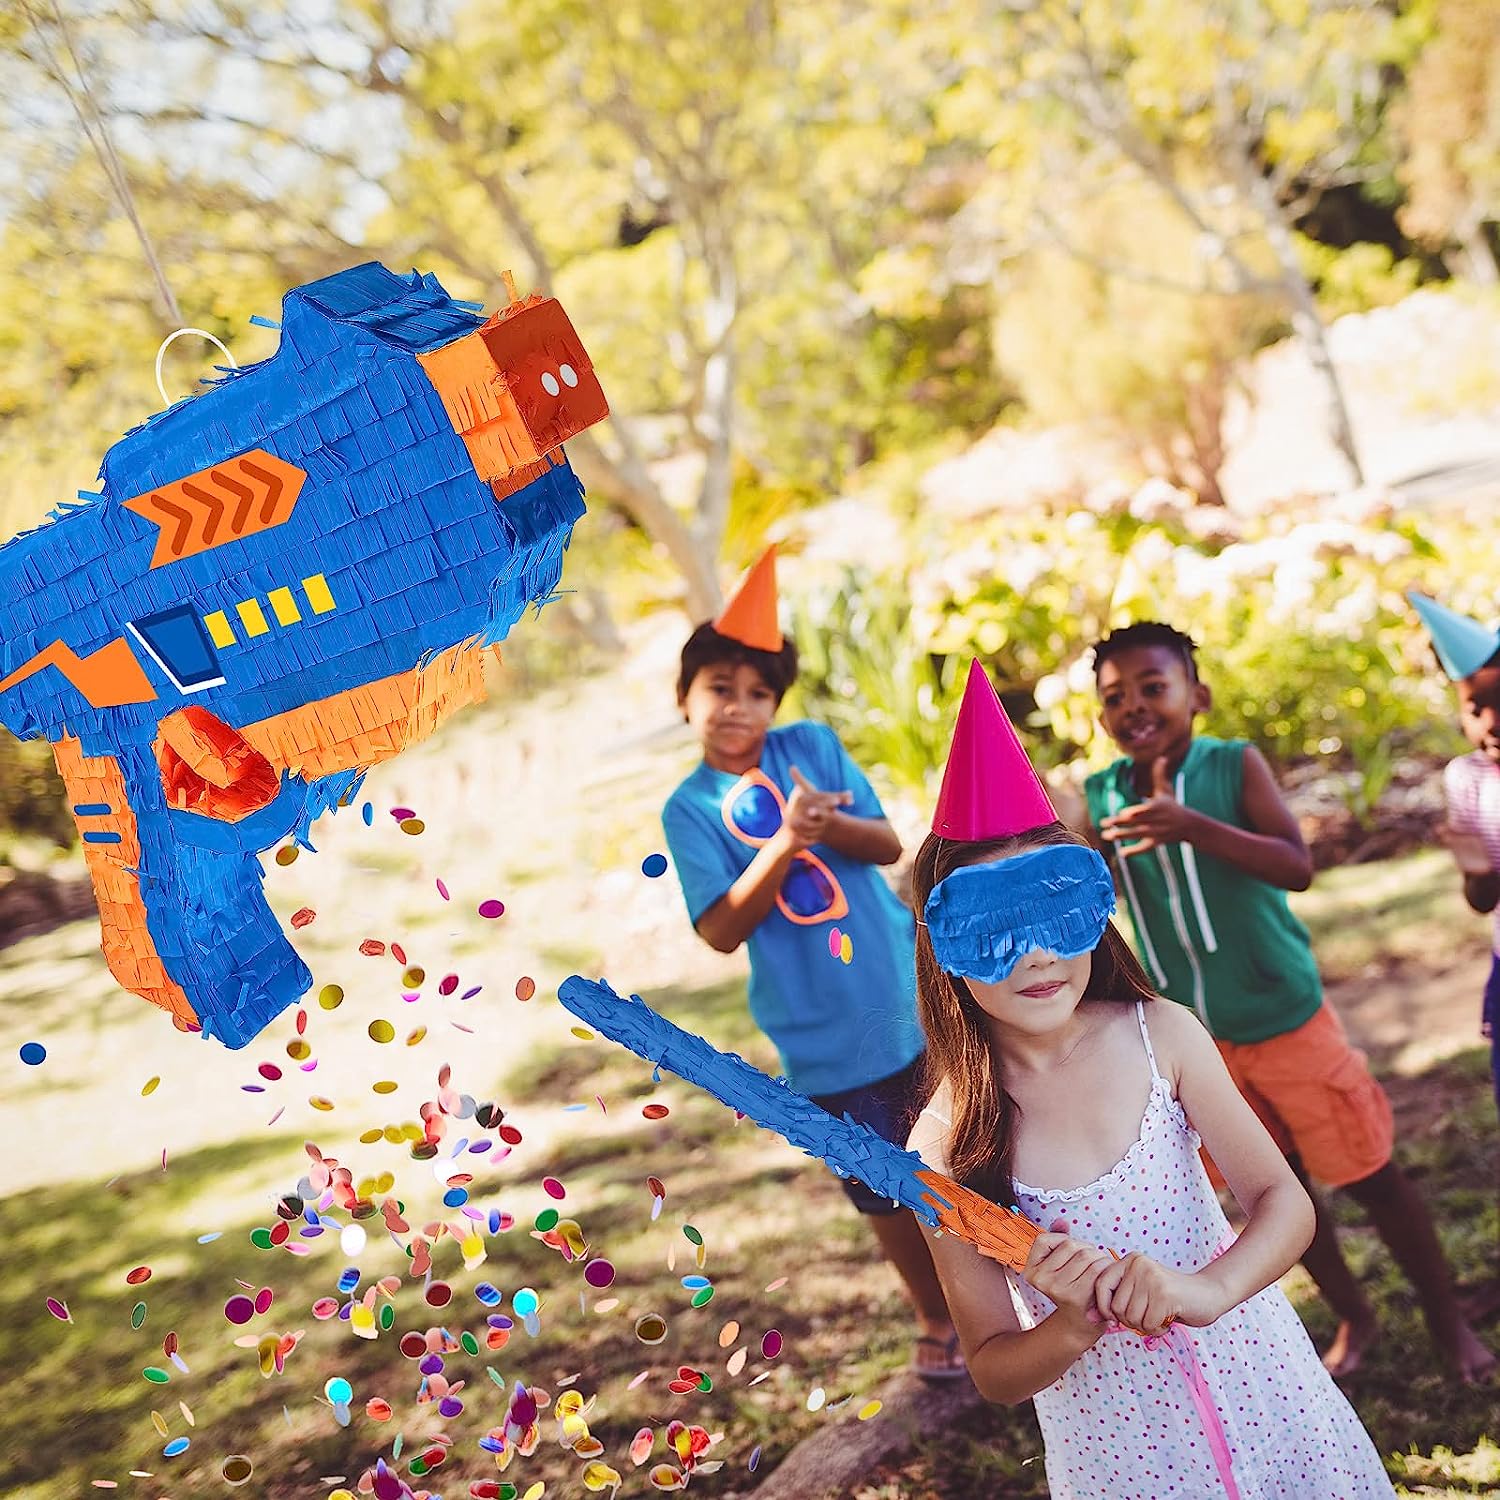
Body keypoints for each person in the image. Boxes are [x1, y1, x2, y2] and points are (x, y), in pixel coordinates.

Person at [907, 661, 1396, 1499]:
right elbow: (992, 1367)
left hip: (1262, 1390)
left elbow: (1282, 1201)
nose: (1037, 955)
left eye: (1056, 913)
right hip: (1123, 1453)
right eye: (995, 929)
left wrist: (1211, 1289)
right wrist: (1070, 1325)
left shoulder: (1160, 1035)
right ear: (942, 947)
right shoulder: (945, 1145)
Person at [1081, 618, 1494, 1383]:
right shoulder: (1102, 795)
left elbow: (1295, 865)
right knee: (1276, 1189)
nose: (1133, 704)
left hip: (1284, 1018)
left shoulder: (1232, 766)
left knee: (1368, 1171)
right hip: (1198, 1046)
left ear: (1198, 695)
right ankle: (1354, 1314)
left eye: (1152, 687)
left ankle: (1448, 1320)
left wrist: (1193, 827)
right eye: (1115, 696)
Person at [661, 546, 962, 1379]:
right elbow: (721, 930)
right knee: (880, 1186)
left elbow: (888, 844)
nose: (740, 707)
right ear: (685, 698)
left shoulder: (812, 747)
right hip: (820, 1035)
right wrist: (787, 840)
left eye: (759, 693)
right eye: (720, 688)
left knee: (964, 1148)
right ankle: (937, 1316)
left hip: (904, 993)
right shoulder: (689, 809)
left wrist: (825, 825)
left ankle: (1001, 1290)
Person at [1411, 591, 1500, 1120]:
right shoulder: (1467, 779)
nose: (1491, 722)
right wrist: (1476, 869)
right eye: (1475, 708)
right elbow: (1481, 899)